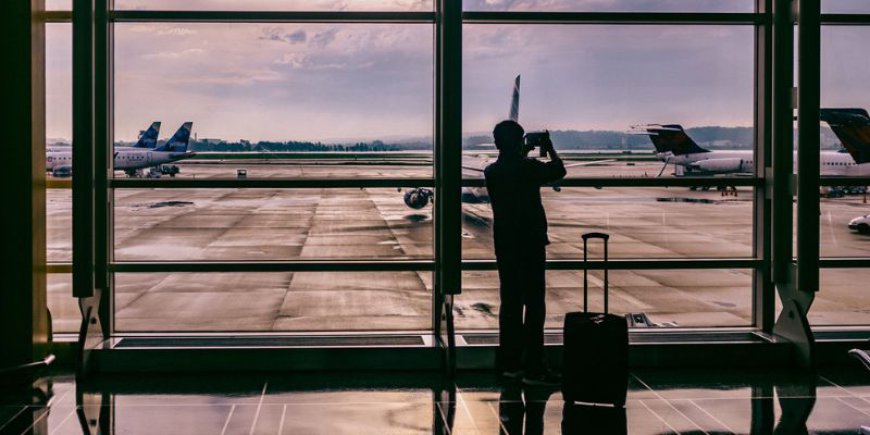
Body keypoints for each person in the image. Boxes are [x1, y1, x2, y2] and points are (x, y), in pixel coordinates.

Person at [484, 120, 566, 386]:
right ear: (520, 142)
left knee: (510, 304)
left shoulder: (491, 171)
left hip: (505, 244)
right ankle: (534, 367)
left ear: (496, 143)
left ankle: (510, 364)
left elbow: (510, 166)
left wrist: (520, 149)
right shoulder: (530, 168)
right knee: (534, 305)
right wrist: (548, 147)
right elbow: (559, 170)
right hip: (530, 243)